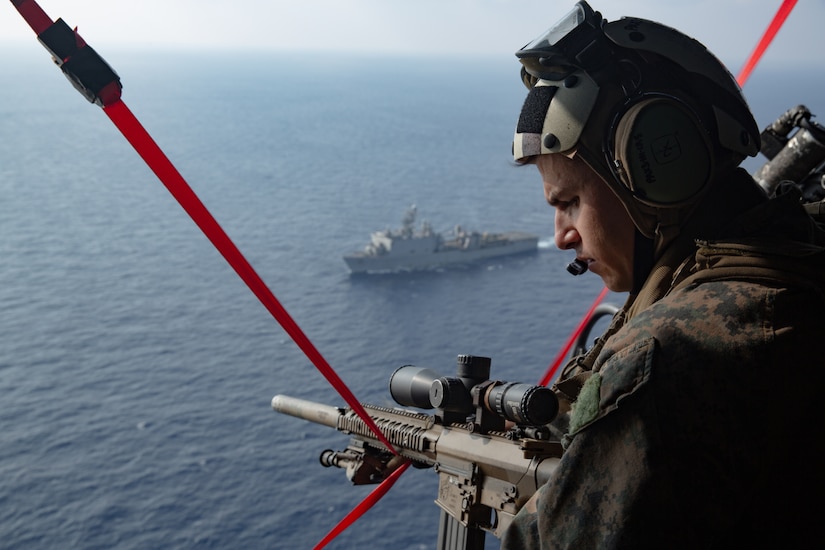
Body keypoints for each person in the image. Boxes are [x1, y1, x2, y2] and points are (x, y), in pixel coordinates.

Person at [501, 2, 825, 548]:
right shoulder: (797, 254)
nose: (562, 234)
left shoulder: (665, 359)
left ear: (651, 172)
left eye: (571, 202)